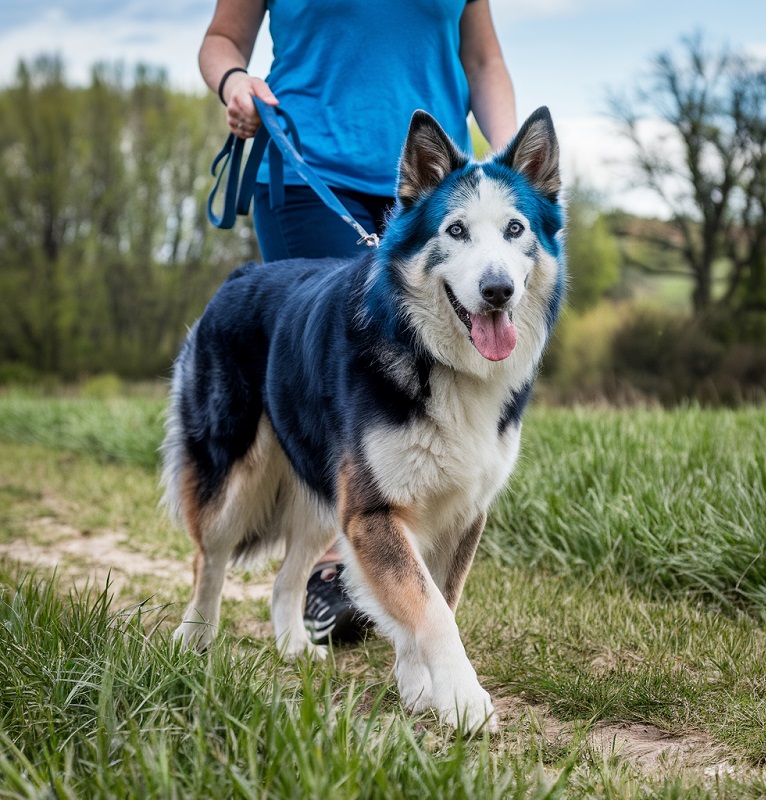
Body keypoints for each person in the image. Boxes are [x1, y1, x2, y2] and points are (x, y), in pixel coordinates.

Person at [198, 0, 518, 643]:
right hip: (308, 172)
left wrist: (507, 163)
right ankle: (332, 576)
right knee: (345, 384)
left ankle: (408, 571)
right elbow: (220, 41)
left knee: (437, 378)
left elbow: (482, 58)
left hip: (435, 190)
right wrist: (237, 84)